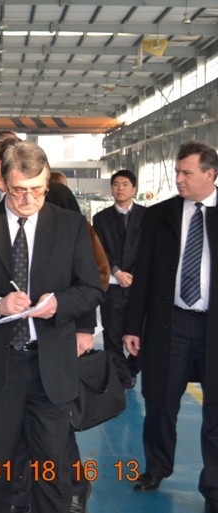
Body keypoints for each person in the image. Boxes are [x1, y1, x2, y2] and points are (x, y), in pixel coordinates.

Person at [0, 142, 104, 513]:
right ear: (4, 182)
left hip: (50, 367)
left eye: (38, 189)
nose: (29, 199)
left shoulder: (70, 226)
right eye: (19, 190)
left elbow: (91, 288)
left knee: (52, 472)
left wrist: (59, 304)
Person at [123, 141, 218, 512]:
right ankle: (156, 467)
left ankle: (214, 487)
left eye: (186, 173)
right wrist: (133, 325)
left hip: (213, 328)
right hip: (171, 323)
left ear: (210, 174)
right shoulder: (160, 215)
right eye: (177, 171)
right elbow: (143, 273)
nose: (178, 179)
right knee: (160, 402)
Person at [93, 169, 144, 389]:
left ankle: (132, 369)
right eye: (115, 184)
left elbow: (152, 249)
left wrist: (137, 275)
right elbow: (99, 250)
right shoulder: (101, 218)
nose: (120, 188)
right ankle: (122, 378)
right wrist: (116, 272)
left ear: (134, 189)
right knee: (112, 336)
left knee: (143, 334)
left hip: (139, 287)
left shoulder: (148, 216)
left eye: (125, 184)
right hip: (113, 286)